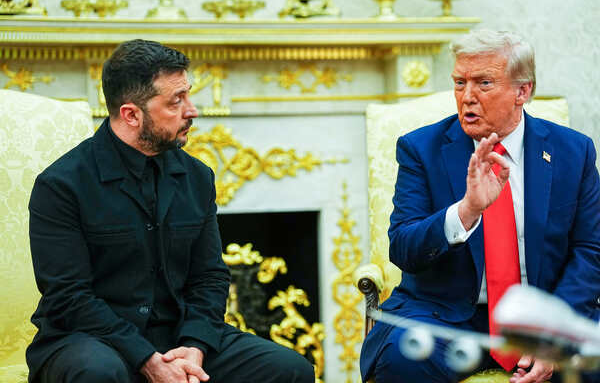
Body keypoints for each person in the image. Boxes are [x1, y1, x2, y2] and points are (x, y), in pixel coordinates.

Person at [27, 39, 315, 383]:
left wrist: (195, 346)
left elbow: (210, 276)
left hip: (178, 336)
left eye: (188, 96)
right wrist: (146, 359)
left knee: (290, 369)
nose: (192, 110)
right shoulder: (61, 185)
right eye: (176, 101)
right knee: (99, 373)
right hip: (91, 339)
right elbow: (69, 298)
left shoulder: (197, 177)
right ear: (131, 114)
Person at [360, 30, 600, 383]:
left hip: (544, 311)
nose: (467, 96)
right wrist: (466, 211)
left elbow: (590, 250)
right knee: (402, 361)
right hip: (446, 316)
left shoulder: (573, 151)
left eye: (484, 83)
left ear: (523, 91)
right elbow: (403, 248)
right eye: (460, 82)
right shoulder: (420, 149)